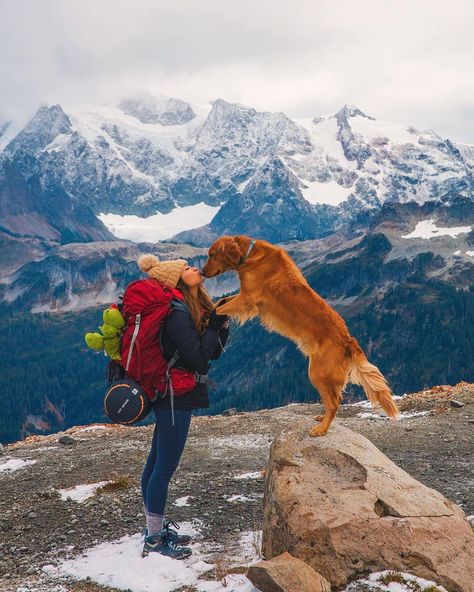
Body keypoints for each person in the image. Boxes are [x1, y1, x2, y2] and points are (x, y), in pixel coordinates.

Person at [137, 255, 230, 560]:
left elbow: (209, 353)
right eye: (186, 268)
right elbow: (199, 359)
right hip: (175, 396)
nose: (194, 268)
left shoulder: (183, 307)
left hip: (171, 393)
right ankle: (153, 538)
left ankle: (154, 527)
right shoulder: (177, 314)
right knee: (164, 467)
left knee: (156, 462)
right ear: (176, 279)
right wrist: (214, 327)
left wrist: (218, 326)